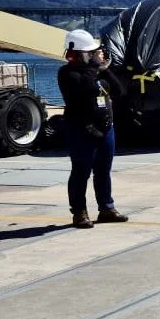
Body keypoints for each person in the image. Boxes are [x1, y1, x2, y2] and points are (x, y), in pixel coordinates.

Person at [57, 29, 129, 229]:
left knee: (103, 171)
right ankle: (79, 211)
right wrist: (96, 67)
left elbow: (120, 91)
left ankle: (106, 207)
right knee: (81, 171)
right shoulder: (68, 73)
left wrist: (105, 69)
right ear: (82, 53)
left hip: (105, 128)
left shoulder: (96, 72)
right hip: (81, 129)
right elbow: (85, 88)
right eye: (92, 52)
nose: (98, 54)